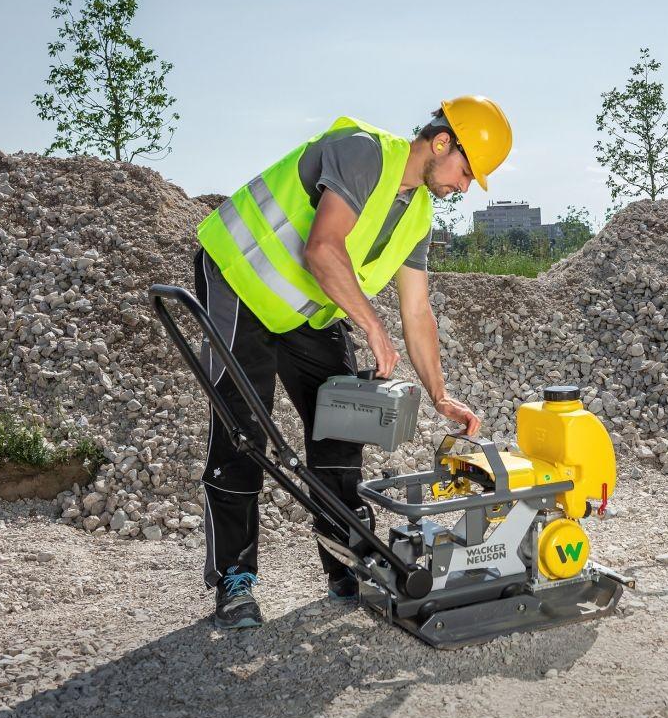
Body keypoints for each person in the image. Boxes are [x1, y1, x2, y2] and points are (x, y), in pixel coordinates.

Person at [191, 96, 512, 629]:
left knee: (341, 428)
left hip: (305, 312)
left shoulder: (419, 216)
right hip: (239, 281)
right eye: (465, 171)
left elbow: (417, 310)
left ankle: (345, 563)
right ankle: (234, 579)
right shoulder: (364, 153)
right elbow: (323, 249)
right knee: (242, 433)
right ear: (441, 143)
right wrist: (370, 323)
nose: (461, 186)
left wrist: (439, 394)